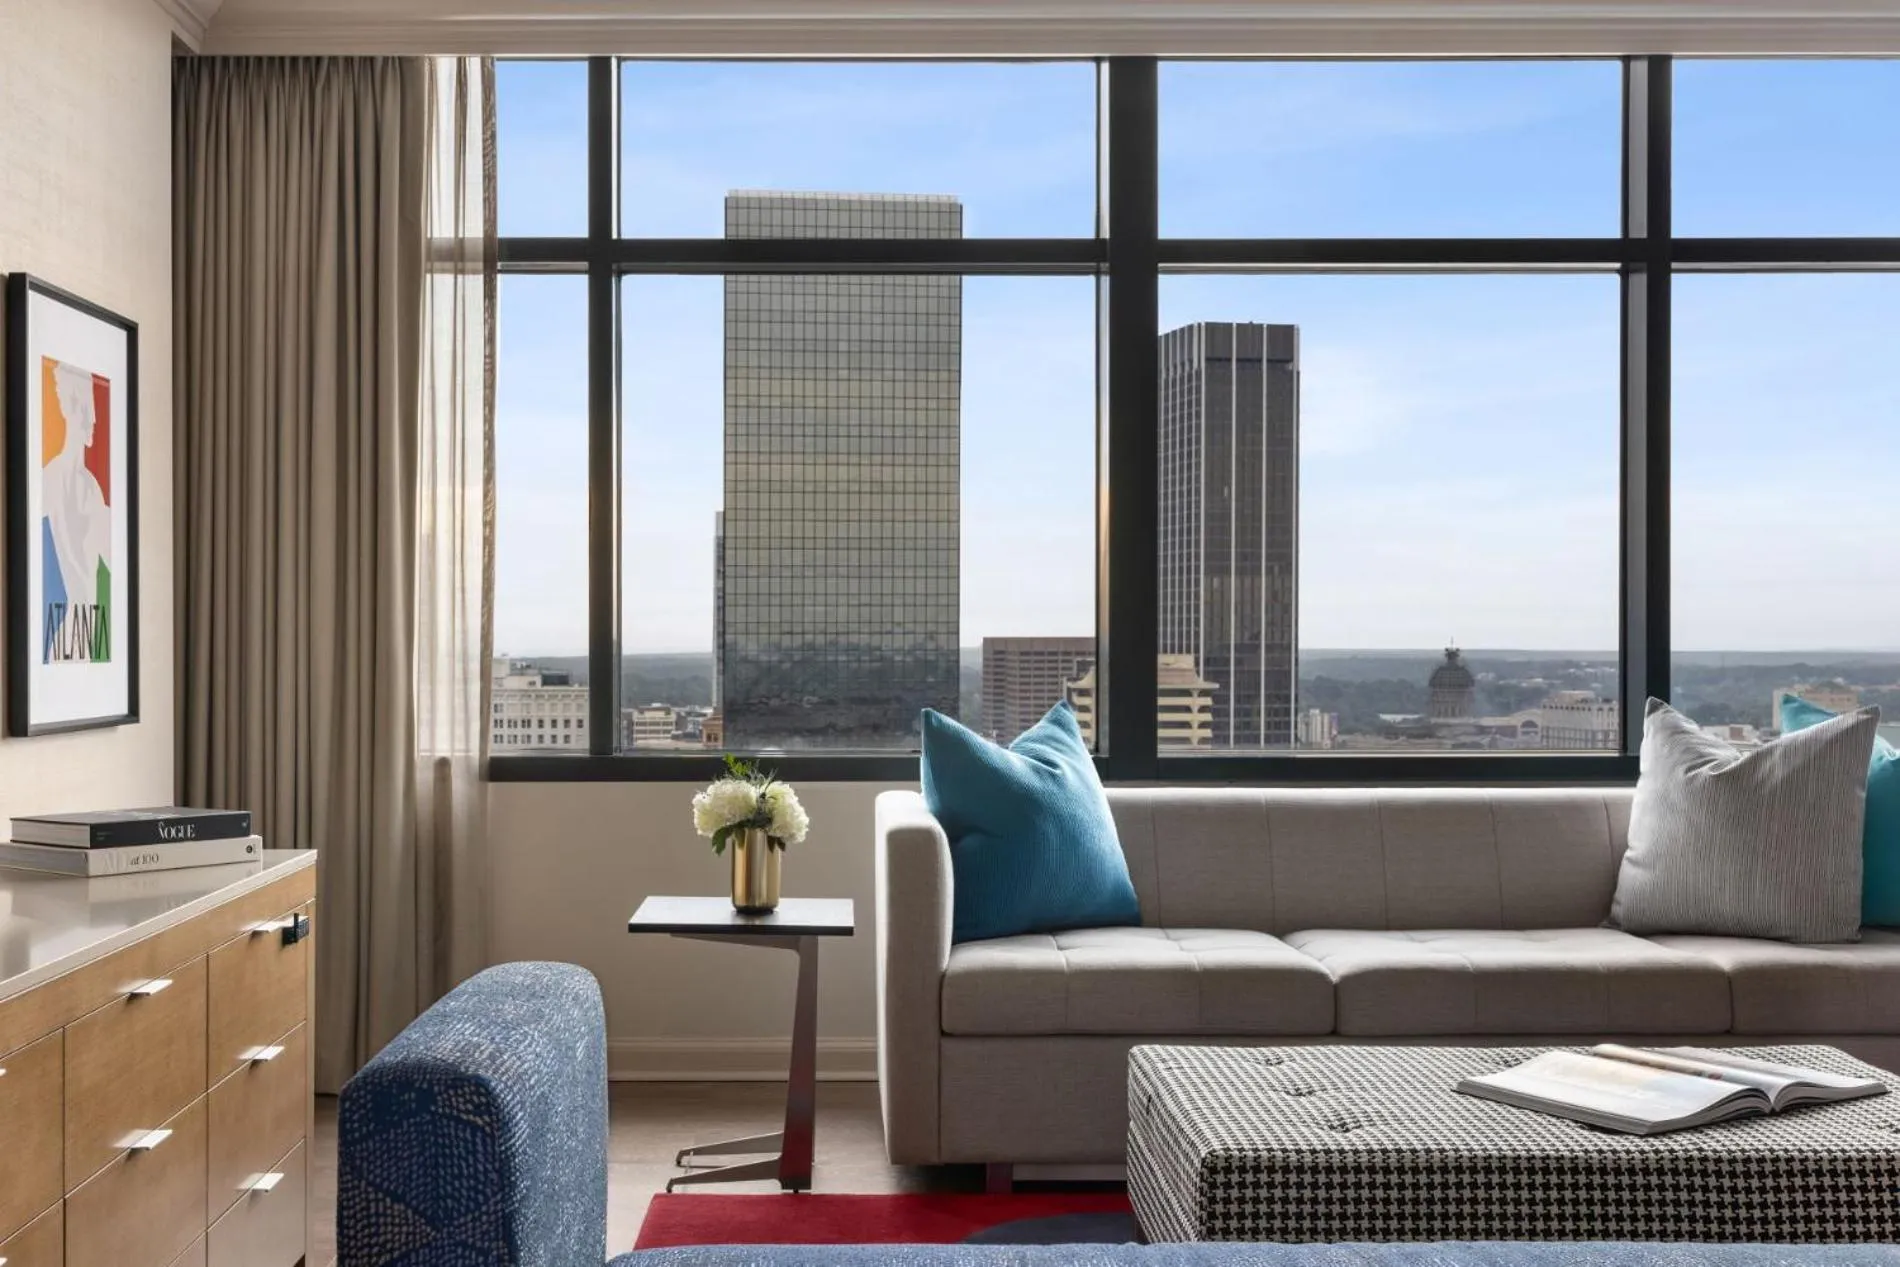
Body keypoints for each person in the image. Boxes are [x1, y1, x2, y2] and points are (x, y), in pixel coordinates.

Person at [42, 360, 111, 660]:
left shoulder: (89, 487)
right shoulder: (55, 478)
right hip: (74, 634)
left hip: (85, 637)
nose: (93, 420)